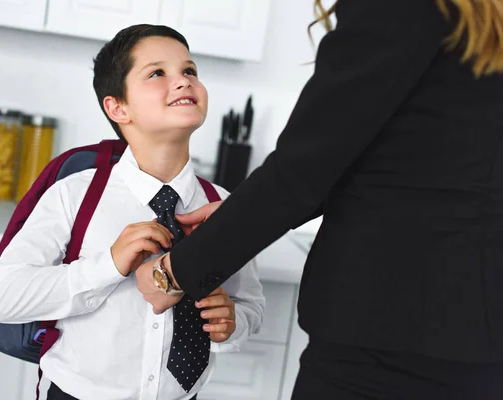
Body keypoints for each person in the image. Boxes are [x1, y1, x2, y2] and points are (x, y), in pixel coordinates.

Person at [134, 0, 503, 399]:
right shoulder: (480, 18)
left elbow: (304, 168)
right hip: (479, 331)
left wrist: (173, 273)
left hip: (388, 322)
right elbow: (417, 158)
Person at [0, 24, 264, 400]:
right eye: (157, 73)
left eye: (189, 71)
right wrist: (108, 265)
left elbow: (251, 305)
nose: (182, 82)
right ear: (118, 108)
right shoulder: (75, 196)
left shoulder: (222, 206)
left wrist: (233, 321)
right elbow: (2, 297)